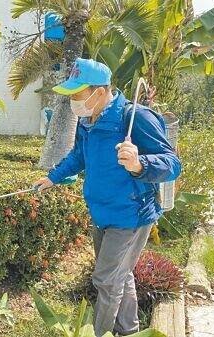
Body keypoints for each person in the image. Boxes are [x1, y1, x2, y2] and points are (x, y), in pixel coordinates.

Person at [33, 58, 181, 337]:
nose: (73, 101)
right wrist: (53, 177)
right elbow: (79, 156)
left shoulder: (134, 118)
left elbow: (172, 165)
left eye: (77, 93)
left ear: (99, 92)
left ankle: (100, 333)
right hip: (102, 214)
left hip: (130, 216)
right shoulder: (88, 120)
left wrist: (140, 164)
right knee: (118, 276)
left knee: (105, 280)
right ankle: (129, 331)